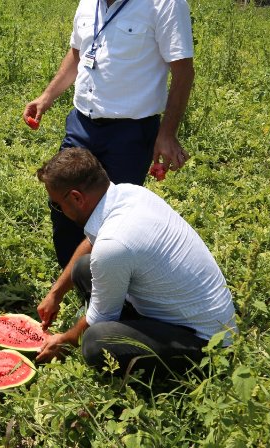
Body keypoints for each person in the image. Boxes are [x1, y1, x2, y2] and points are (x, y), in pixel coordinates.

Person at [23, 0, 196, 268]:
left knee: (112, 217)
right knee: (62, 198)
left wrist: (167, 134)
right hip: (81, 123)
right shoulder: (88, 3)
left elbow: (183, 71)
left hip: (129, 132)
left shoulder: (165, 4)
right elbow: (77, 53)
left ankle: (110, 291)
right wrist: (47, 96)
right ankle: (75, 281)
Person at [34, 148, 236, 377]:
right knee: (83, 269)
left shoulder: (113, 245)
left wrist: (64, 341)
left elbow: (100, 318)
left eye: (57, 205)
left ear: (77, 198)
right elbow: (92, 243)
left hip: (208, 344)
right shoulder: (130, 193)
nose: (59, 211)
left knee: (95, 341)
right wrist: (56, 293)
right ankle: (135, 323)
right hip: (192, 314)